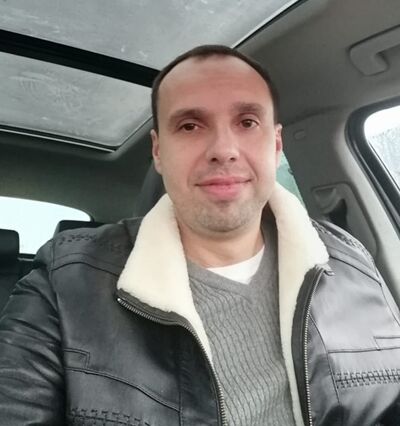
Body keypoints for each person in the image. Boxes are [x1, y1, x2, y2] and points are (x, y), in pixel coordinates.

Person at [0, 45, 399, 426]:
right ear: (158, 151)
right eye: (190, 125)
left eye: (247, 122)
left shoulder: (352, 262)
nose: (223, 149)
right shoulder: (65, 284)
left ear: (276, 144)